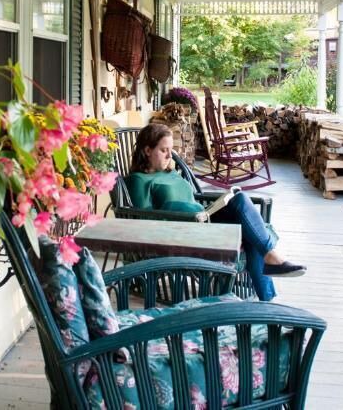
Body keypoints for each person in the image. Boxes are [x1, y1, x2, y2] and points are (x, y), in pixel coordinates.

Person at [125, 123, 305, 301]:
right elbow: (144, 219)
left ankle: (268, 287)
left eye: (171, 150)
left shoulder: (170, 173)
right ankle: (270, 278)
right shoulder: (138, 180)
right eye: (164, 150)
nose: (169, 155)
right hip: (185, 232)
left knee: (241, 202)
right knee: (252, 234)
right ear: (148, 150)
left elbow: (192, 198)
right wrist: (176, 209)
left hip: (204, 221)